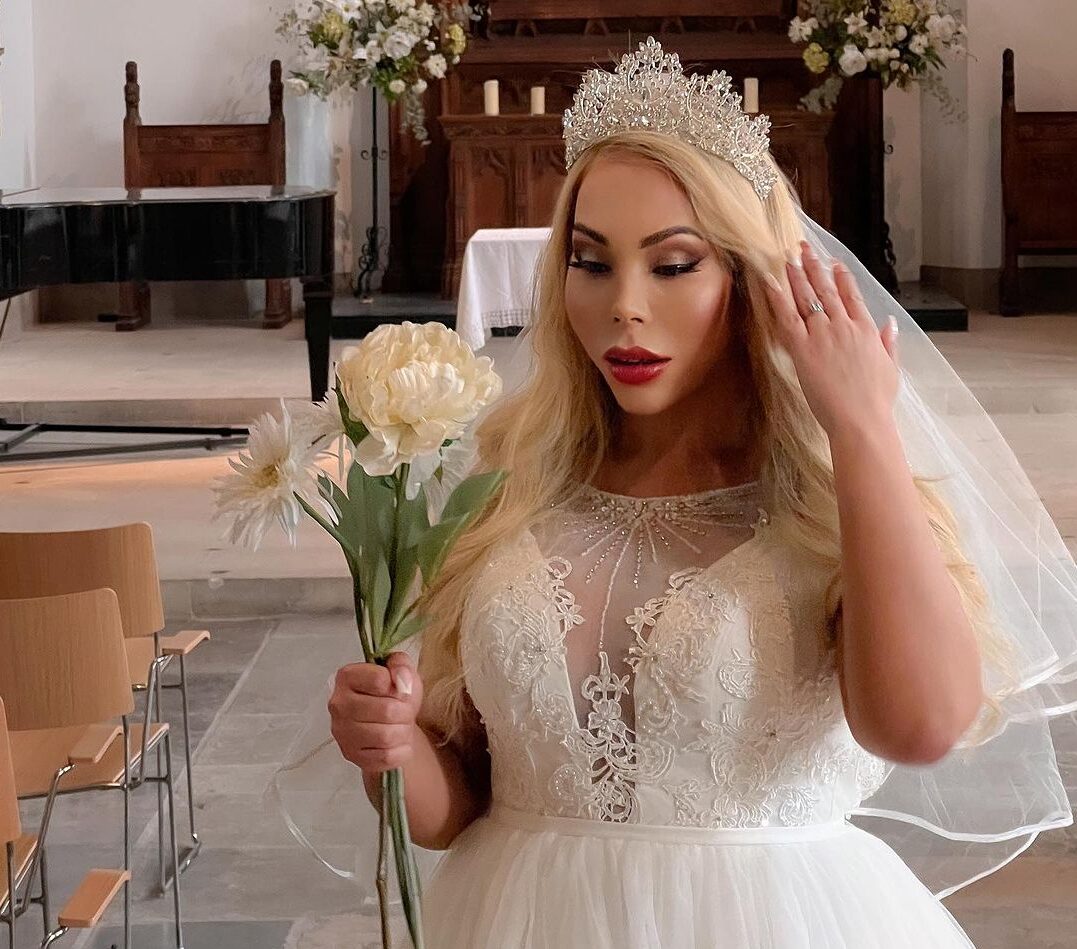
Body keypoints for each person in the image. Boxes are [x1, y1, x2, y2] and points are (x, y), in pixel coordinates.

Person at [321, 39, 1077, 948]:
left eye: (673, 264)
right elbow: (462, 801)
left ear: (752, 279)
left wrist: (861, 429)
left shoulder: (829, 495)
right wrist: (393, 749)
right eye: (591, 262)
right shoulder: (511, 482)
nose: (623, 306)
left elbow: (917, 726)